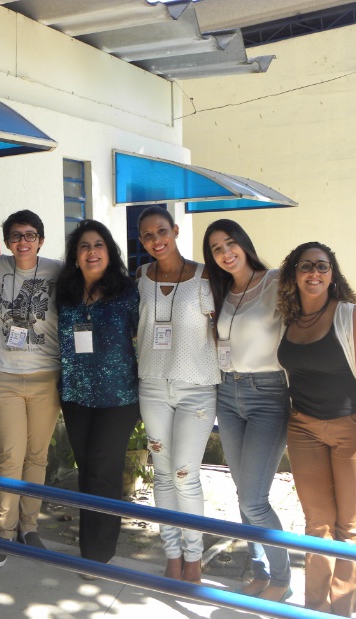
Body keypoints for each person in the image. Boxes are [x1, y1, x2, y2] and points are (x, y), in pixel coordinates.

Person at [277, 241, 356, 617]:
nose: (314, 272)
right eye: (305, 265)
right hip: (303, 430)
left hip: (353, 431)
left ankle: (342, 609)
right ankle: (314, 609)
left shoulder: (349, 316)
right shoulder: (287, 317)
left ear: (332, 275)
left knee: (348, 527)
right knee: (317, 524)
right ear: (293, 274)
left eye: (322, 266)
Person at [202, 219, 292, 602]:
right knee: (243, 493)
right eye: (216, 249)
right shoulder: (223, 291)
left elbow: (322, 304)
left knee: (255, 499)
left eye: (230, 243)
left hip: (267, 395)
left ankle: (283, 579)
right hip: (227, 392)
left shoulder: (276, 281)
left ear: (243, 243)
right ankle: (259, 571)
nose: (226, 253)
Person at [135, 206, 220, 584]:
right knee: (163, 476)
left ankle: (194, 557)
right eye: (148, 235)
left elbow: (226, 324)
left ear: (175, 230)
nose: (156, 240)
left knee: (186, 475)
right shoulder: (140, 278)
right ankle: (172, 554)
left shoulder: (205, 277)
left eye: (162, 231)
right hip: (153, 386)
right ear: (141, 240)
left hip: (196, 389)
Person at [56, 220, 140, 571]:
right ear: (75, 256)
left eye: (98, 245)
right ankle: (89, 545)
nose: (92, 252)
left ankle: (98, 555)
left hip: (118, 397)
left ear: (109, 251)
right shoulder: (64, 293)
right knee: (87, 470)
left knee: (104, 472)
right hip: (75, 395)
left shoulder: (128, 292)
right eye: (84, 246)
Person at [0, 209, 62, 568]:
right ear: (8, 241)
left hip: (46, 377)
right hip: (4, 377)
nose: (23, 241)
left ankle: (29, 527)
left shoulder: (58, 271)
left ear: (41, 240)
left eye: (30, 235)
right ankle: (5, 532)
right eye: (16, 236)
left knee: (37, 456)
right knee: (10, 457)